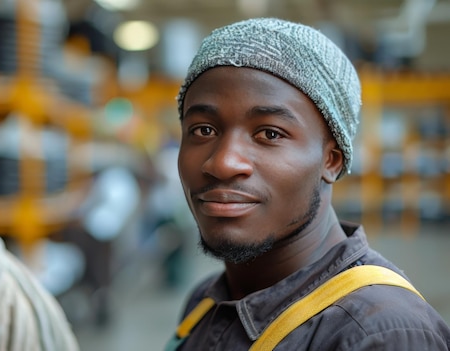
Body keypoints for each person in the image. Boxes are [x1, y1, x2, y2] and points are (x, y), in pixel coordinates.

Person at [168, 17, 450, 350]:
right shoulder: (205, 303)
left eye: (270, 134)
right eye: (204, 130)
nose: (222, 162)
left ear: (331, 160)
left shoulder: (376, 334)